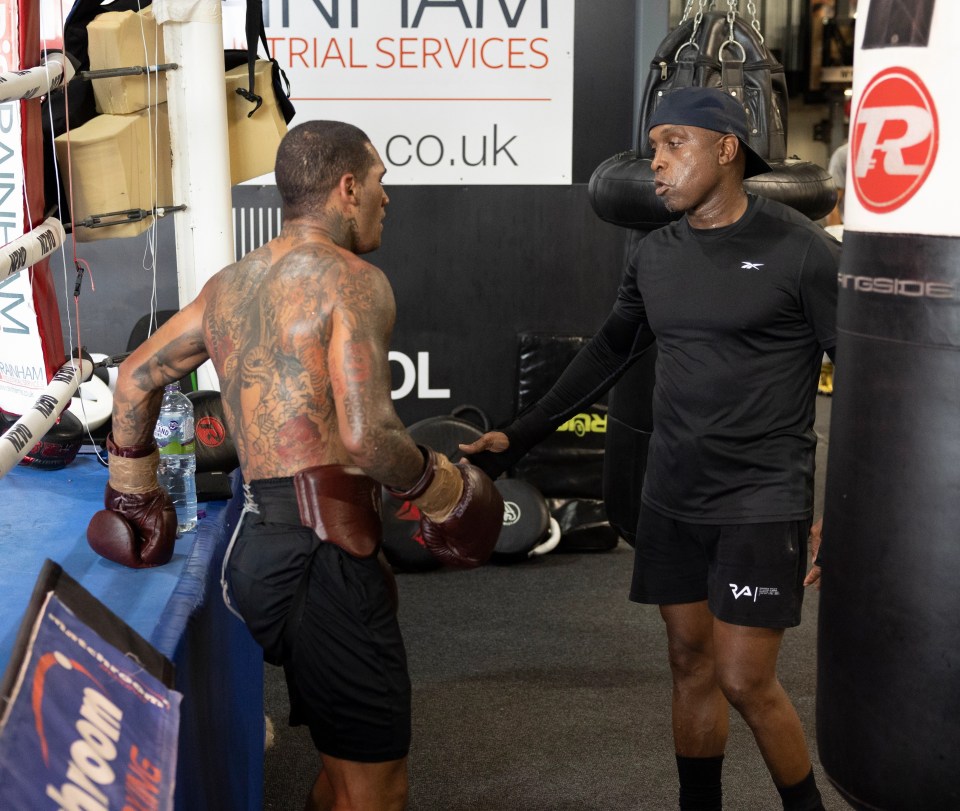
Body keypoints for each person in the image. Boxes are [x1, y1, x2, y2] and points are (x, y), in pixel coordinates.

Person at [85, 120, 503, 811]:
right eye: (378, 183)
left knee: (343, 772)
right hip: (325, 558)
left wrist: (133, 492)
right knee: (379, 788)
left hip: (256, 556)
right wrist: (442, 486)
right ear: (346, 189)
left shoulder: (228, 286)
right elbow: (367, 439)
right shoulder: (355, 282)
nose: (384, 199)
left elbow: (133, 377)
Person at [462, 87, 839, 811]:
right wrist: (520, 434)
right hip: (673, 490)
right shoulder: (656, 254)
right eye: (653, 147)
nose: (656, 164)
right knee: (689, 662)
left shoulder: (800, 252)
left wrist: (846, 511)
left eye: (673, 144)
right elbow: (610, 350)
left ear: (726, 149)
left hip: (761, 497)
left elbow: (860, 375)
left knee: (744, 679)